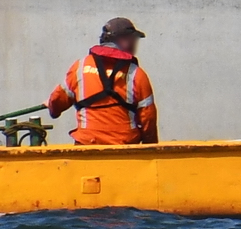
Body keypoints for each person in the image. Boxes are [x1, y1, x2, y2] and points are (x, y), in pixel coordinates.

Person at [47, 17, 159, 146]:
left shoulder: (79, 67)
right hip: (125, 150)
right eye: (133, 40)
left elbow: (57, 102)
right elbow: (148, 118)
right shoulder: (137, 75)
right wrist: (149, 147)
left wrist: (51, 106)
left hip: (87, 148)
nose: (135, 45)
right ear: (124, 41)